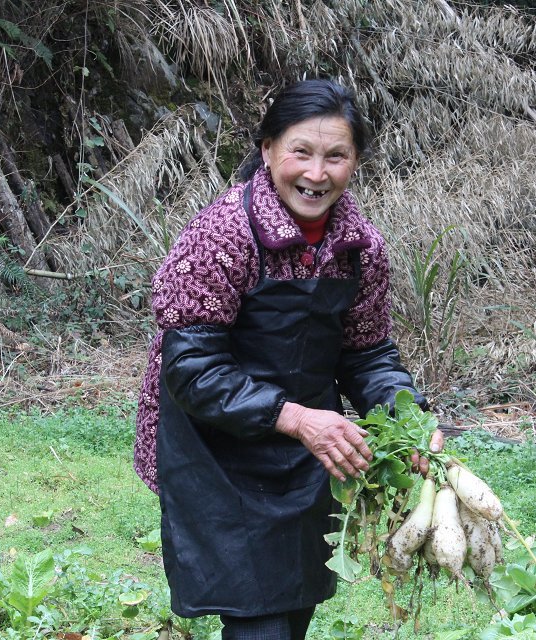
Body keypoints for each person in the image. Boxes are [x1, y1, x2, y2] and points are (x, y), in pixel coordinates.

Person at [134, 78, 439, 639]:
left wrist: (408, 417)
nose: (316, 174)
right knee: (260, 620)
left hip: (306, 454)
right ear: (268, 148)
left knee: (292, 606)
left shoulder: (360, 249)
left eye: (336, 156)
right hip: (217, 452)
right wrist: (297, 419)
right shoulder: (223, 235)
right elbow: (192, 369)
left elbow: (368, 353)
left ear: (356, 162)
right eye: (301, 151)